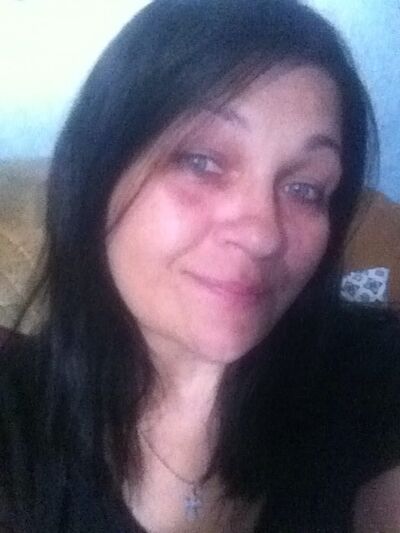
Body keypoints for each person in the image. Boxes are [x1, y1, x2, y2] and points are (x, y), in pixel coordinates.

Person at [1, 0, 400, 531]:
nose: (263, 235)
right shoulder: (16, 422)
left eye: (306, 188)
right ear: (99, 172)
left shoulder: (370, 374)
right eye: (201, 161)